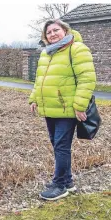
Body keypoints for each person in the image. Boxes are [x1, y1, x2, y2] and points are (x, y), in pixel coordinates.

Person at [29, 19, 96, 201]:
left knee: (61, 146)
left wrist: (80, 106)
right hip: (50, 107)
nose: (52, 34)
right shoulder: (46, 54)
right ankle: (67, 181)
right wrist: (34, 98)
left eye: (56, 30)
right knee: (58, 145)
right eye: (49, 32)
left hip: (67, 109)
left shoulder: (77, 49)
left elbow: (87, 78)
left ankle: (59, 185)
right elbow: (39, 79)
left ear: (65, 30)